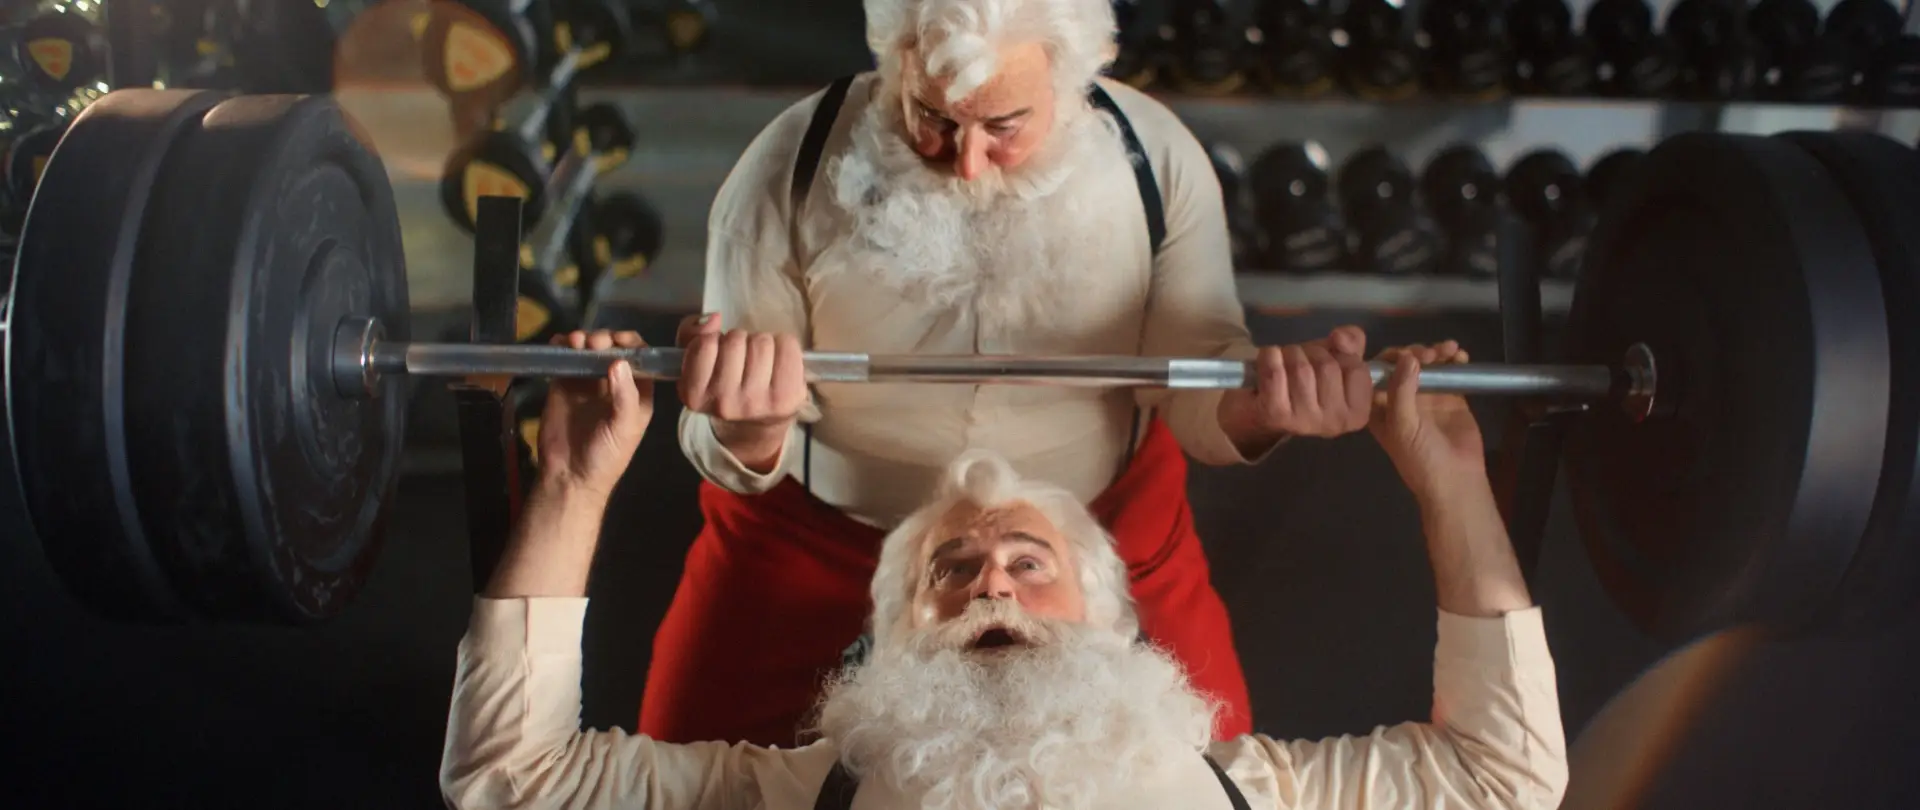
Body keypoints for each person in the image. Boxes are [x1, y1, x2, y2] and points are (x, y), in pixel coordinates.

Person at [650, 0, 1381, 746]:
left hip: (1095, 536)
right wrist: (749, 423)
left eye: (1004, 127)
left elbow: (1199, 387)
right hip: (820, 536)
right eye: (932, 117)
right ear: (896, 58)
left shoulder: (1157, 161)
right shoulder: (787, 167)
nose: (966, 163)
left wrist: (1267, 407)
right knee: (681, 781)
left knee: (1210, 772)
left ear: (1072, 79)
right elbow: (725, 441)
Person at [440, 329, 1569, 810]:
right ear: (894, 643)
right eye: (956, 568)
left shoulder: (1243, 791)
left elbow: (1502, 781)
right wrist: (574, 487)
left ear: (1115, 628)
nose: (992, 582)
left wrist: (1451, 479)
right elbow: (510, 783)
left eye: (1031, 562)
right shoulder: (801, 793)